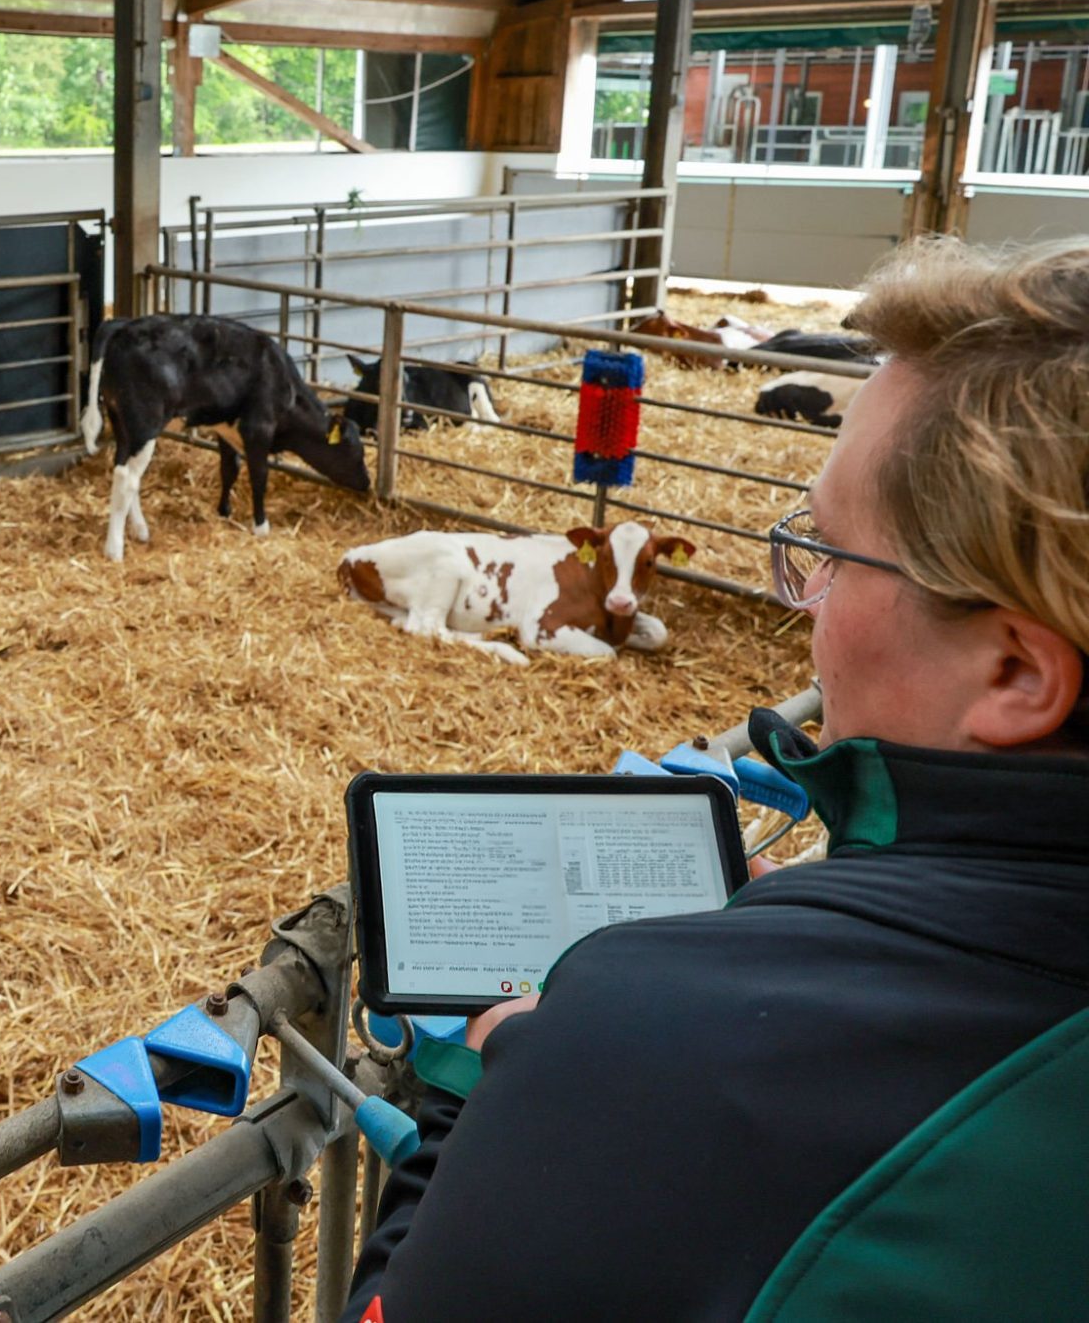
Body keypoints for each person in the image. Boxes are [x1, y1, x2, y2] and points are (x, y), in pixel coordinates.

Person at [344, 235, 1089, 1322]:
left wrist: (489, 1099)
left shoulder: (642, 1050)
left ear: (1017, 671)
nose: (804, 603)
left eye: (833, 556)